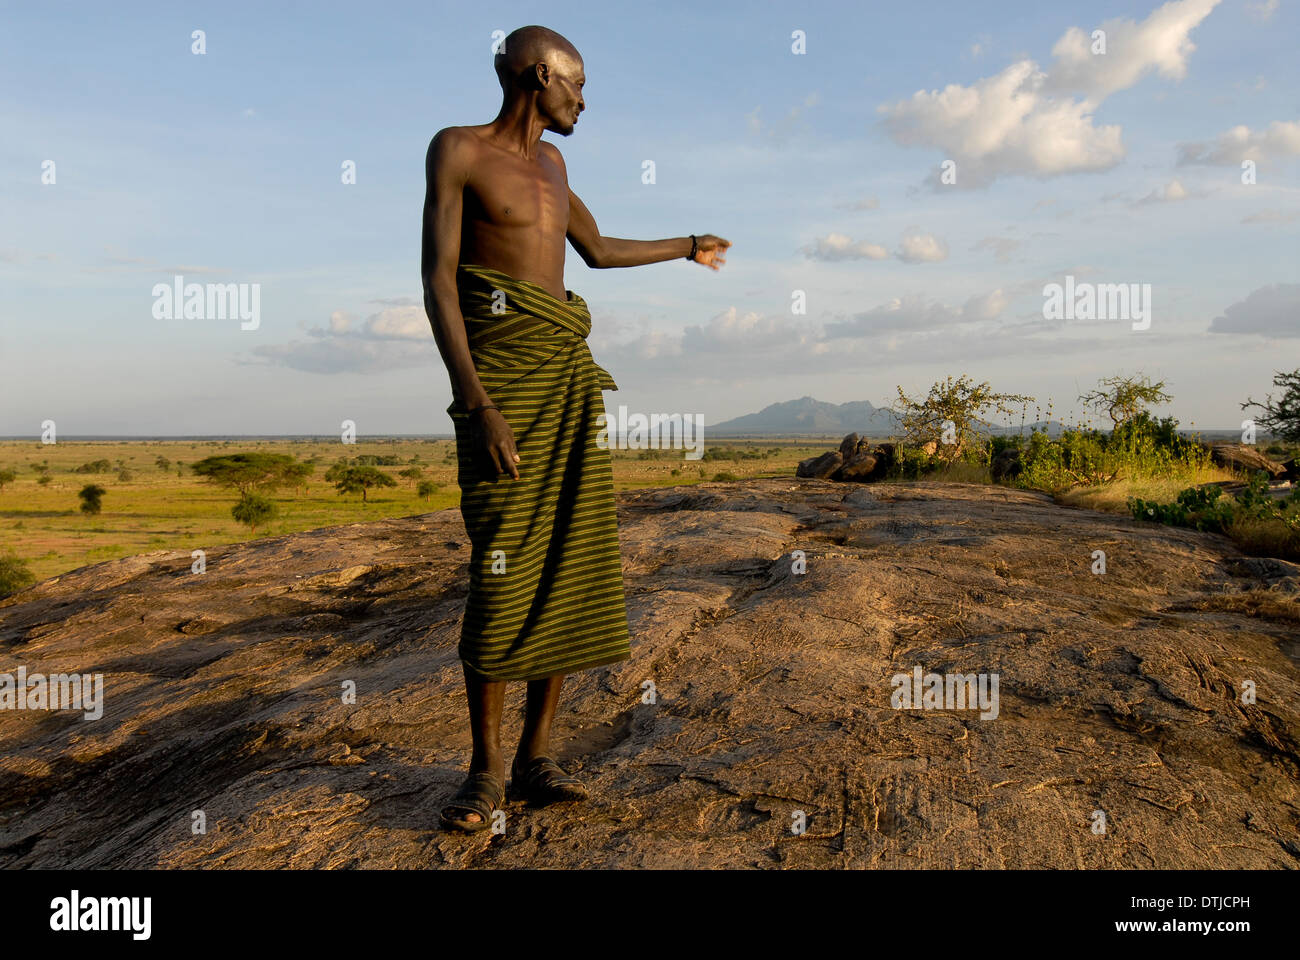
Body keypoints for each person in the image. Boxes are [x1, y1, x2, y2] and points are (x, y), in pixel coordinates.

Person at [420, 24, 730, 831]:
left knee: (569, 560)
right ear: (536, 75)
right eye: (576, 87)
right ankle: (484, 771)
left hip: (564, 378)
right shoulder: (456, 149)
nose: (582, 102)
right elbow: (438, 285)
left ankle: (537, 757)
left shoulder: (555, 165)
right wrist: (475, 402)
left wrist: (687, 245)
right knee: (500, 573)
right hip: (503, 385)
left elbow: (593, 249)